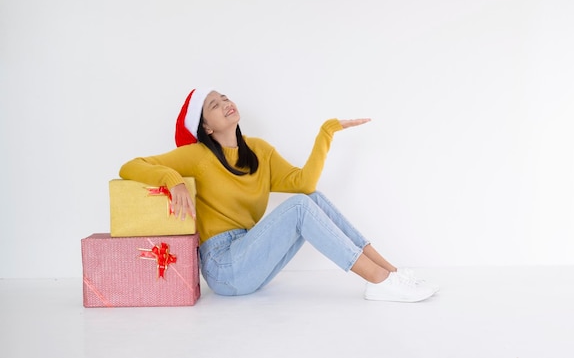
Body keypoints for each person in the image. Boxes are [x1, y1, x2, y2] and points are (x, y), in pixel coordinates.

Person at [119, 88, 438, 302]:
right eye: (214, 105)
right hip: (223, 266)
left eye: (225, 98)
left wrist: (326, 132)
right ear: (206, 126)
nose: (226, 103)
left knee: (309, 201)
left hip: (248, 252)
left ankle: (391, 273)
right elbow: (130, 166)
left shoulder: (259, 150)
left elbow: (304, 184)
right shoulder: (197, 155)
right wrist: (172, 180)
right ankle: (379, 283)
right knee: (300, 207)